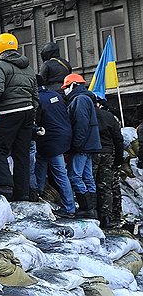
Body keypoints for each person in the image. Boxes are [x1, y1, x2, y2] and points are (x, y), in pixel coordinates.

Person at [0, 33, 39, 201]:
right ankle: (22, 193)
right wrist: (30, 109)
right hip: (28, 112)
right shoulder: (28, 68)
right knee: (21, 153)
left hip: (8, 112)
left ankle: (3, 186)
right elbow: (35, 95)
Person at [33, 75, 77, 218]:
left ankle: (69, 207)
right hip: (63, 136)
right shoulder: (55, 95)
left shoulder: (37, 99)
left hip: (50, 139)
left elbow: (37, 120)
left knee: (59, 173)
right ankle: (38, 193)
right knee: (41, 164)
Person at [62, 73, 102, 218]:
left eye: (66, 87)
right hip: (89, 145)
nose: (65, 90)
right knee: (87, 177)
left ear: (73, 85)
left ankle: (87, 208)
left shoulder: (80, 99)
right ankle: (92, 209)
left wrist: (76, 145)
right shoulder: (86, 99)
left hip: (83, 146)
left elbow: (81, 124)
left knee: (74, 176)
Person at [94, 95, 123, 229]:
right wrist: (118, 158)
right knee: (105, 186)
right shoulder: (109, 116)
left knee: (90, 183)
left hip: (92, 153)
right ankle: (106, 217)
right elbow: (118, 138)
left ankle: (93, 214)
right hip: (107, 153)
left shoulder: (86, 115)